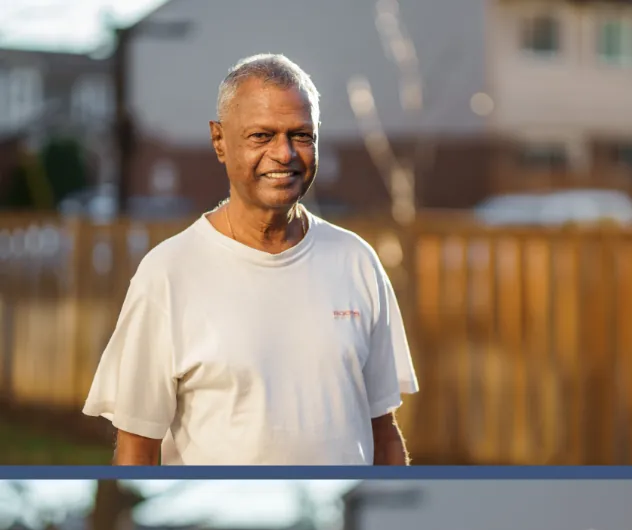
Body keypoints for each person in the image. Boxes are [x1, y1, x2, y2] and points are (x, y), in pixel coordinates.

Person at [83, 53, 418, 465]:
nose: (285, 154)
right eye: (262, 136)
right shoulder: (169, 272)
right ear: (219, 140)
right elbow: (136, 449)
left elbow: (383, 434)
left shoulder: (357, 262)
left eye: (301, 135)